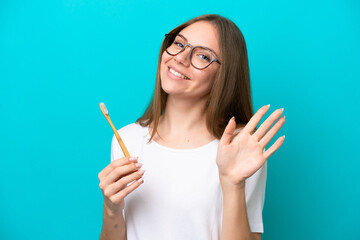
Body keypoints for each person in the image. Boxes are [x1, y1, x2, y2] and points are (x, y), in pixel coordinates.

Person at [98, 14, 285, 240]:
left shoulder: (240, 147)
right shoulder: (126, 139)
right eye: (179, 44)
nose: (181, 58)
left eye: (204, 56)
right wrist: (112, 208)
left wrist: (233, 184)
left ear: (224, 76)